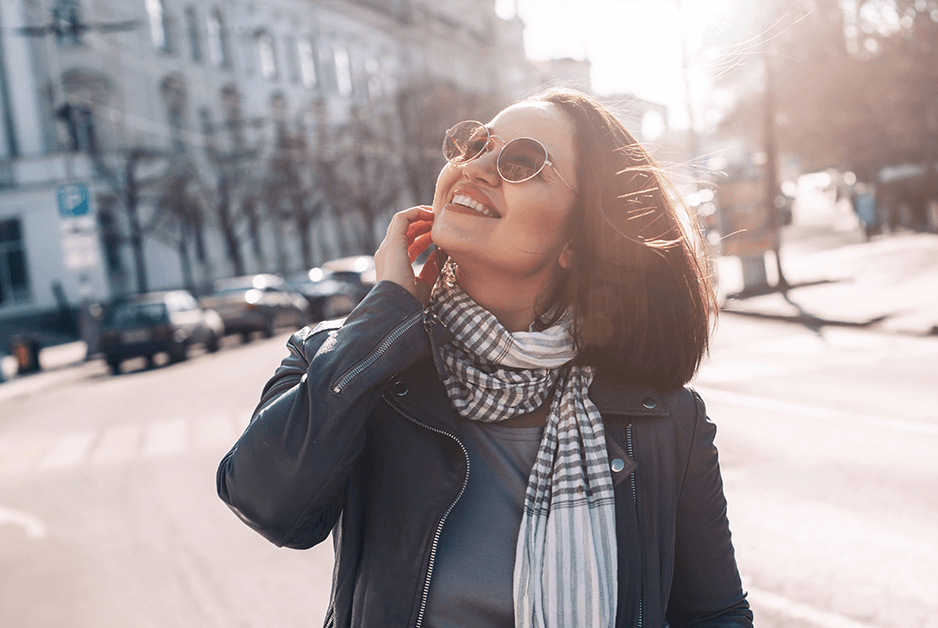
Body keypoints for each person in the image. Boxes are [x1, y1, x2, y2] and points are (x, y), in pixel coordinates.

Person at [217, 88, 752, 628]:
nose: (477, 167)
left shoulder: (665, 423)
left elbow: (716, 614)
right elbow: (267, 502)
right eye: (475, 145)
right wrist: (385, 313)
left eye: (521, 162)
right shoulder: (347, 359)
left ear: (577, 241)